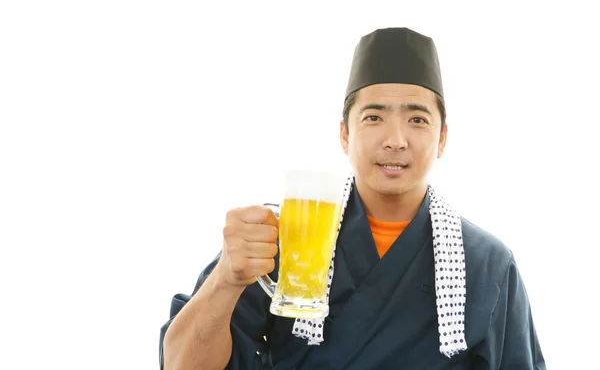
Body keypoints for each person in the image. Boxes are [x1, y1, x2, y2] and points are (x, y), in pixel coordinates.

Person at [159, 27, 546, 369]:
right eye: (373, 118)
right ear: (345, 135)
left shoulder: (487, 264)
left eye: (417, 120)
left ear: (442, 138)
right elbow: (180, 365)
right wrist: (226, 279)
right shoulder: (284, 236)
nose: (395, 140)